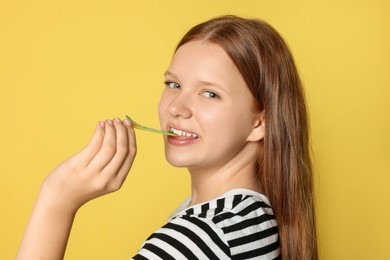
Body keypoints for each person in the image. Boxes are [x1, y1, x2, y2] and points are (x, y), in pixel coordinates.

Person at [17, 15, 317, 259]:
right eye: (173, 85)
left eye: (210, 93)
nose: (176, 108)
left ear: (259, 123)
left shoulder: (200, 236)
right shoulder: (247, 217)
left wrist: (56, 200)